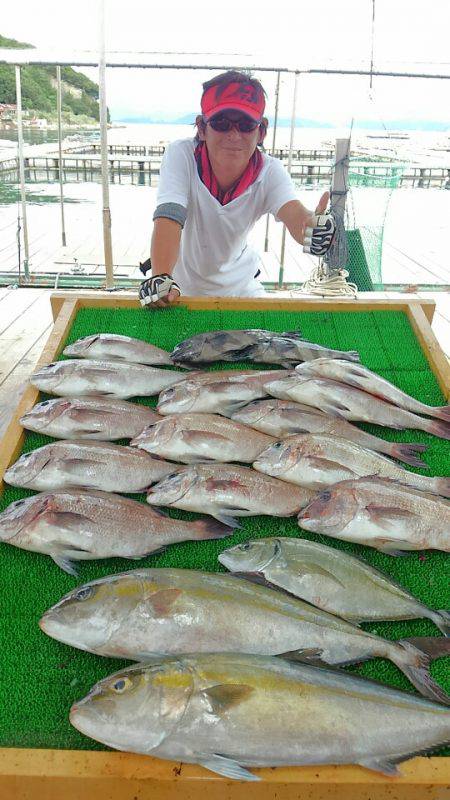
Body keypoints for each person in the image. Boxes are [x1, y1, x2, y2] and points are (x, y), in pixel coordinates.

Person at [139, 70, 335, 308]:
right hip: (179, 289)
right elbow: (170, 214)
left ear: (261, 131)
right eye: (221, 123)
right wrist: (161, 277)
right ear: (202, 128)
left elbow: (295, 215)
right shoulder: (181, 154)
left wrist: (313, 230)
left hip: (244, 289)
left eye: (245, 125)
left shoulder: (270, 172)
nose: (234, 135)